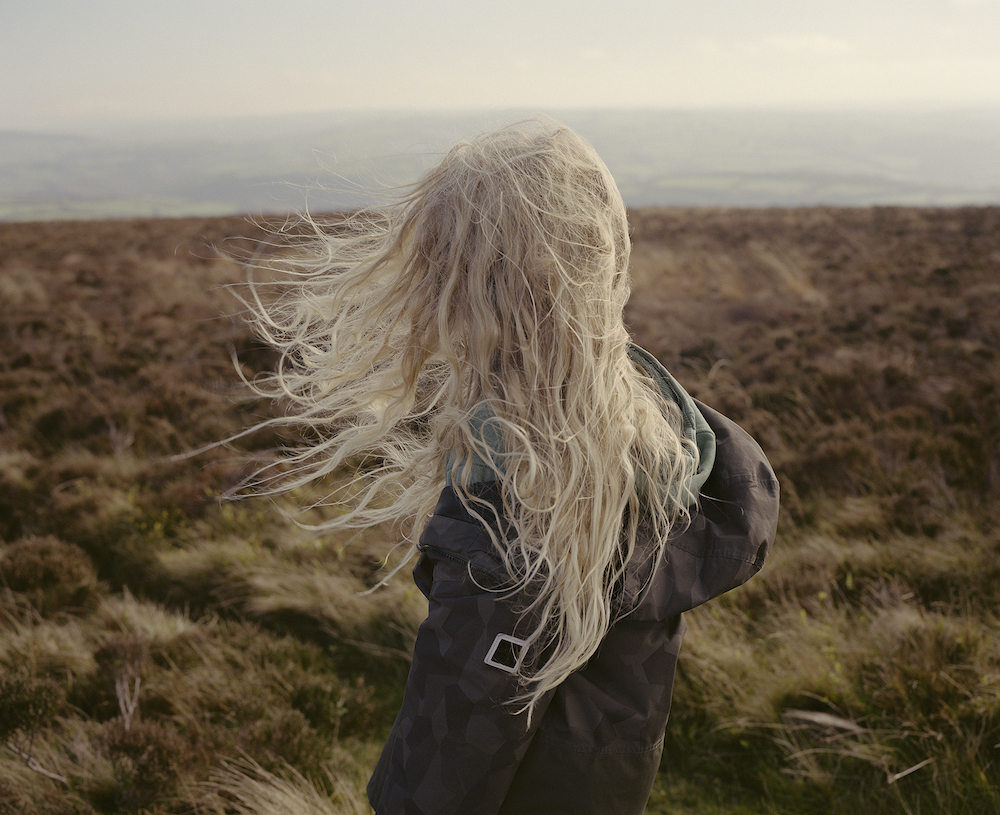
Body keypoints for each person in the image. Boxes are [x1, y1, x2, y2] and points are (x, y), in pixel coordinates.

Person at [239, 120, 779, 815]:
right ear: (604, 259)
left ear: (473, 288)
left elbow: (453, 750)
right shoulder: (659, 442)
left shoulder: (515, 507)